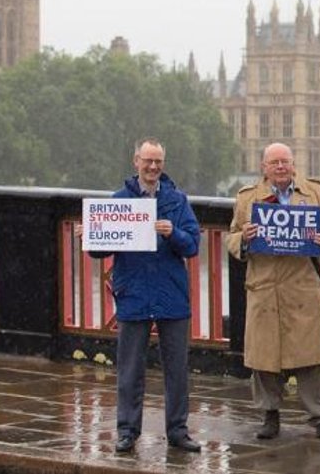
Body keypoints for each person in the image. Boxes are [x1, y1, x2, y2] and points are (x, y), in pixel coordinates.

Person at [86, 138, 202, 453]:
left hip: (171, 294)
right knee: (129, 369)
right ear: (136, 160)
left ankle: (178, 431)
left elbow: (192, 245)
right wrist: (90, 237)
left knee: (176, 370)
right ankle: (127, 431)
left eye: (158, 162)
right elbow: (99, 251)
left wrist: (172, 233)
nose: (153, 167)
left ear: (163, 164)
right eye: (148, 161)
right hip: (133, 292)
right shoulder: (120, 200)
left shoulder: (178, 201)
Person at [227, 142, 320, 440]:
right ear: (263, 167)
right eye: (274, 162)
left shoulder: (315, 193)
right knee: (264, 359)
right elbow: (232, 237)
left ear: (294, 165)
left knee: (312, 357)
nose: (280, 167)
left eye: (285, 162)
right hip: (264, 286)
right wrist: (245, 238)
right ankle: (269, 414)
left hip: (302, 285)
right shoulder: (247, 198)